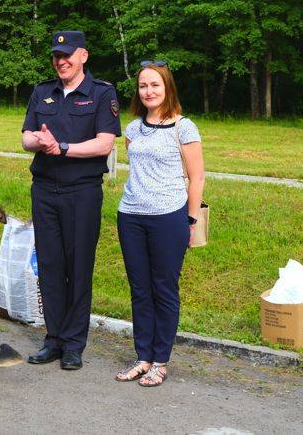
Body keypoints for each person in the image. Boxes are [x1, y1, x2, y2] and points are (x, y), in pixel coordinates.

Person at [21, 31, 121, 370]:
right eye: (56, 55)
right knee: (50, 266)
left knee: (78, 267)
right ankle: (54, 338)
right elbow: (25, 138)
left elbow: (104, 144)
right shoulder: (42, 92)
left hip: (82, 193)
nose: (60, 61)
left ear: (83, 56)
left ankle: (74, 343)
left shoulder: (101, 93)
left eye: (67, 55)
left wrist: (62, 147)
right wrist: (39, 141)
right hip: (46, 189)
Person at [114, 60, 204, 387]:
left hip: (169, 218)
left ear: (167, 88)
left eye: (155, 85)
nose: (149, 91)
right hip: (131, 217)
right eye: (143, 86)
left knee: (164, 289)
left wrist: (190, 219)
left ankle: (160, 361)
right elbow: (135, 167)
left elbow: (196, 178)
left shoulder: (184, 127)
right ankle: (143, 357)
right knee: (139, 289)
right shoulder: (134, 129)